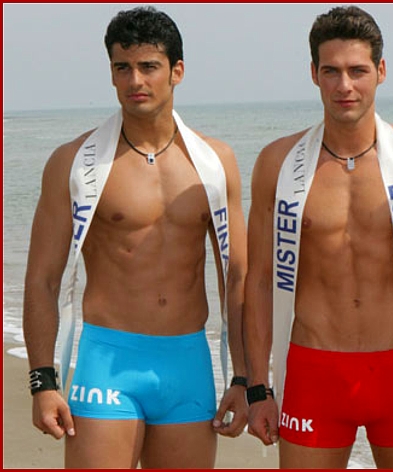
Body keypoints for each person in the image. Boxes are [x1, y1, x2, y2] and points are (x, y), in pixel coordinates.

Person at [243, 6, 393, 469]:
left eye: (357, 71)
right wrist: (257, 388)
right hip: (312, 372)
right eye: (331, 71)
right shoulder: (278, 163)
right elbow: (261, 280)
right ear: (313, 74)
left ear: (381, 71)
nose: (344, 85)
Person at [22, 6, 249, 468]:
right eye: (122, 67)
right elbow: (43, 279)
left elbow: (238, 277)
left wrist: (245, 379)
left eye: (148, 66)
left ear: (177, 71)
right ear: (111, 73)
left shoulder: (214, 162)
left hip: (188, 361)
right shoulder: (75, 163)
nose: (135, 80)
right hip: (108, 361)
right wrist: (42, 380)